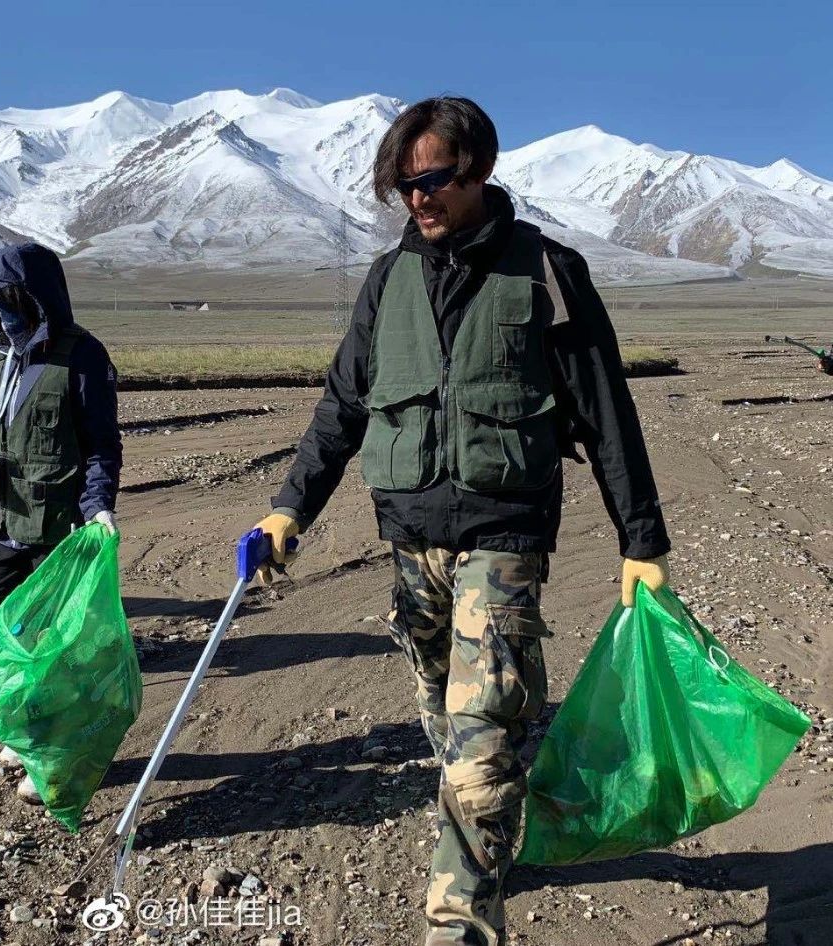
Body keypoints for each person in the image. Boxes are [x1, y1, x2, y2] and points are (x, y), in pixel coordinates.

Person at [251, 97, 672, 946]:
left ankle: (459, 924)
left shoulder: (545, 270)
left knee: (482, 747)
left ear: (479, 166)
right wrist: (290, 505)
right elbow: (344, 406)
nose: (418, 199)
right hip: (409, 540)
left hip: (503, 538)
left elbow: (604, 410)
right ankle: (497, 827)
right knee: (449, 725)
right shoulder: (386, 279)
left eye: (433, 179)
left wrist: (642, 539)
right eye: (402, 185)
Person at [0, 242, 121, 802]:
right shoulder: (2, 362)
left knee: (49, 649)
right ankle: (21, 722)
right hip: (4, 523)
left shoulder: (81, 356)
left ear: (42, 301)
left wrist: (99, 508)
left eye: (12, 305)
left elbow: (100, 448)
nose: (3, 318)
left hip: (57, 529)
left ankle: (50, 756)